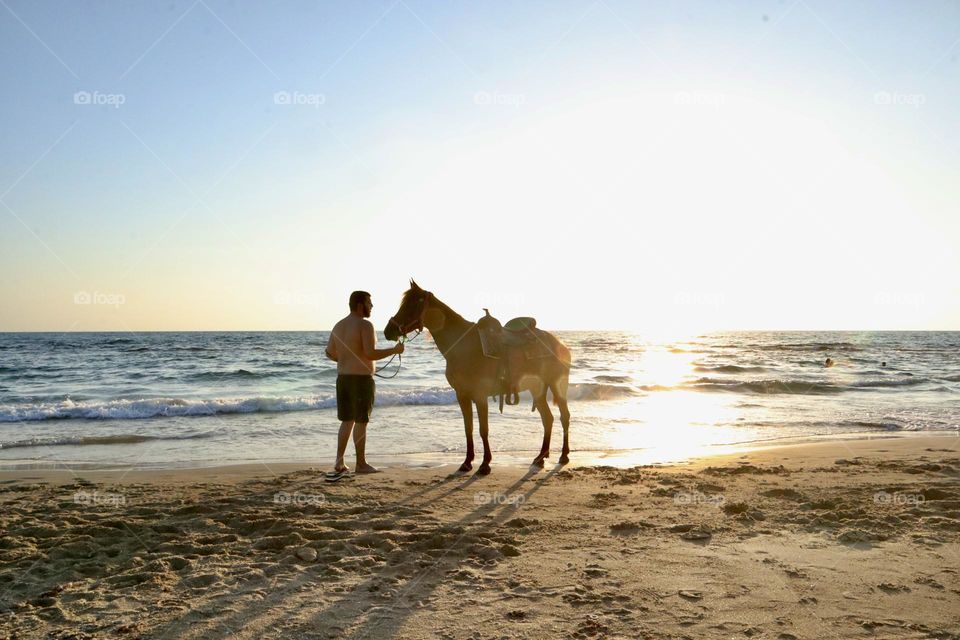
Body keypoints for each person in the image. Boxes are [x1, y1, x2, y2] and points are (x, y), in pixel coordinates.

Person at [325, 290, 403, 475]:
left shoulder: (338, 325)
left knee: (347, 421)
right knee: (361, 421)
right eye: (369, 303)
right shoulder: (365, 325)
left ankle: (339, 462)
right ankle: (361, 464)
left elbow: (329, 352)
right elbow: (369, 353)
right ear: (360, 305)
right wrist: (394, 350)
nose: (372, 306)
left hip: (342, 379)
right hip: (361, 381)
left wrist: (346, 359)